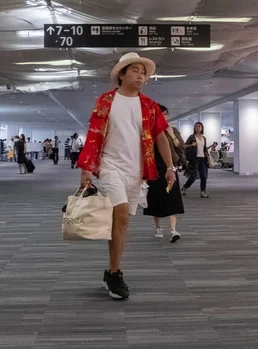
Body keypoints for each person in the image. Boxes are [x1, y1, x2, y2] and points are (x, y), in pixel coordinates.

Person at [77, 52, 176, 300]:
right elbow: (93, 135)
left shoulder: (150, 106)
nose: (141, 75)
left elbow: (161, 137)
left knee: (122, 222)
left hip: (137, 171)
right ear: (122, 74)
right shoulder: (105, 101)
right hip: (110, 165)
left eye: (144, 72)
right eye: (135, 70)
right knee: (119, 213)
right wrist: (86, 168)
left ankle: (112, 271)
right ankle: (115, 271)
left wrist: (171, 168)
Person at [144, 104, 185, 243]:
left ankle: (173, 230)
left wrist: (172, 135)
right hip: (154, 168)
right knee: (155, 198)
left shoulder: (172, 130)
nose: (165, 117)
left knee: (172, 197)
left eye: (166, 114)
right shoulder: (149, 130)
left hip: (170, 166)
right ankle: (158, 227)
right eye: (162, 114)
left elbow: (180, 146)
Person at [182, 122, 210, 198]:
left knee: (204, 176)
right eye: (196, 126)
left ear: (202, 128)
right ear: (194, 128)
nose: (197, 128)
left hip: (203, 159)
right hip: (194, 159)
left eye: (199, 126)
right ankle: (185, 187)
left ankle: (202, 192)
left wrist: (206, 154)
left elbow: (204, 148)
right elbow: (184, 146)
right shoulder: (192, 137)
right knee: (193, 177)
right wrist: (191, 145)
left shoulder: (204, 138)